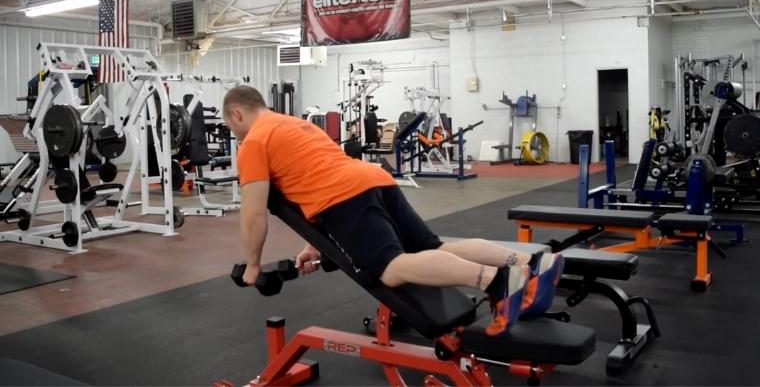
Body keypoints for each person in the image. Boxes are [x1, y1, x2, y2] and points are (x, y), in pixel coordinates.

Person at [222, 85, 564, 336]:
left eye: (230, 126)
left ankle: (499, 282)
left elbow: (253, 213)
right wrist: (316, 244)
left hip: (344, 196)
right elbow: (314, 175)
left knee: (391, 269)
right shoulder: (298, 125)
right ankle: (528, 263)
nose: (233, 133)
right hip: (375, 180)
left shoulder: (253, 142)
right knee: (434, 249)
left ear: (236, 113)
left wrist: (253, 265)